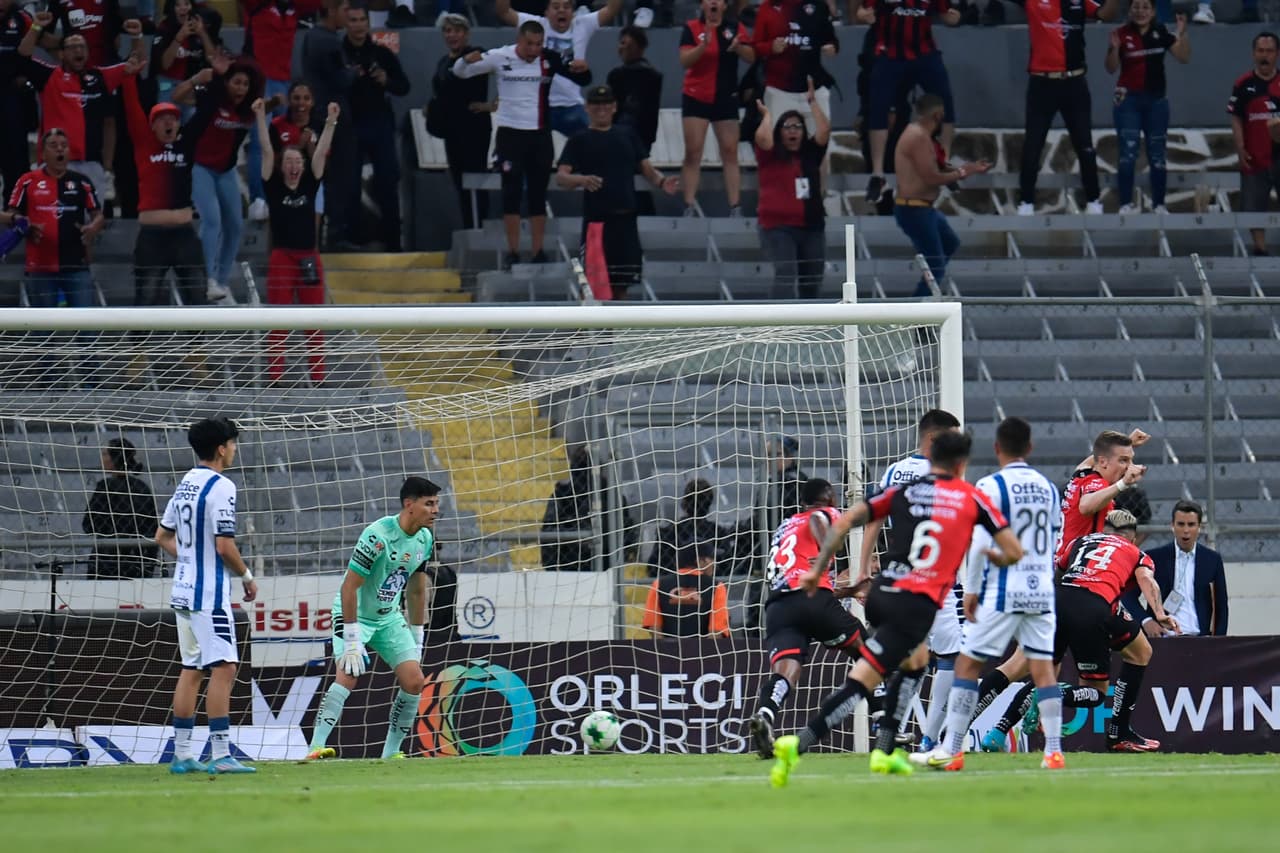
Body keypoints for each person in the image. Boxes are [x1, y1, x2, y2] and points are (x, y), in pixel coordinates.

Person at [768, 431, 1021, 785]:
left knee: (915, 663)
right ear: (962, 464)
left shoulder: (905, 490)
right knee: (864, 680)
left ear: (930, 458)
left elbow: (844, 522)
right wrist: (984, 556)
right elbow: (1013, 551)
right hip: (916, 603)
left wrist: (817, 570)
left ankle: (884, 752)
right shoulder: (971, 497)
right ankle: (800, 743)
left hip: (883, 592)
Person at [911, 417, 1066, 771]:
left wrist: (974, 590)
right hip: (1041, 588)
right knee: (1043, 668)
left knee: (967, 664)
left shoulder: (991, 486)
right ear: (1030, 448)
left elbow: (981, 542)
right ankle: (1054, 751)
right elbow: (1056, 539)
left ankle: (951, 749)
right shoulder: (1047, 487)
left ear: (997, 448)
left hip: (1003, 589)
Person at [305, 477, 441, 761]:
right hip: (353, 614)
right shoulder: (377, 535)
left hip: (388, 617)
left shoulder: (426, 538)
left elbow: (416, 590)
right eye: (429, 503)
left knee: (415, 681)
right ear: (409, 505)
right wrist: (353, 639)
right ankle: (315, 748)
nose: (435, 510)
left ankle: (390, 754)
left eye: (436, 504)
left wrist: (418, 635)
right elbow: (349, 587)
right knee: (349, 674)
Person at [156, 416, 258, 775]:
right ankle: (220, 754)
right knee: (225, 667)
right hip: (208, 594)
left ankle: (182, 755)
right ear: (221, 447)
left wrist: (188, 560)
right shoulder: (221, 486)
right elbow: (224, 545)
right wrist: (246, 575)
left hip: (183, 590)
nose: (234, 450)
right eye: (233, 443)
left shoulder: (187, 481)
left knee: (192, 668)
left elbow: (162, 536)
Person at [857, 408, 959, 747]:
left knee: (905, 653)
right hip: (934, 580)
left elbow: (873, 521)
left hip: (896, 577)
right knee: (948, 657)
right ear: (934, 439)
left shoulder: (895, 471)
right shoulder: (946, 474)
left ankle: (891, 726)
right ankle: (929, 738)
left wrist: (863, 567)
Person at [453, 20, 591, 268]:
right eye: (529, 44)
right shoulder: (500, 56)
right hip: (510, 135)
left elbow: (582, 79)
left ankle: (538, 251)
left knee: (538, 194)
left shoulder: (549, 58)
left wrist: (582, 69)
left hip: (540, 134)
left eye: (538, 44)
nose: (534, 50)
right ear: (519, 40)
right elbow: (459, 72)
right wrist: (465, 60)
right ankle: (513, 251)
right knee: (511, 192)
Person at [747, 478, 866, 758]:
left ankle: (765, 715)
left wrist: (847, 590)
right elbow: (819, 520)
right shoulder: (825, 513)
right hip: (812, 602)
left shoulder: (785, 527)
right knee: (869, 654)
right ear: (828, 497)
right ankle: (887, 724)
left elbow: (800, 578)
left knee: (787, 671)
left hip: (779, 607)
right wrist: (829, 547)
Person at [1056, 510, 1177, 751]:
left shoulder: (1081, 542)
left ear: (1103, 530)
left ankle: (1119, 732)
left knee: (1141, 651)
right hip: (1096, 607)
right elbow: (1146, 580)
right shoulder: (1135, 552)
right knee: (1096, 693)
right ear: (1133, 538)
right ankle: (1052, 697)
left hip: (1063, 601)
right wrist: (1159, 612)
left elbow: (1058, 572)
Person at [556, 84, 679, 300]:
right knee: (593, 282)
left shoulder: (627, 134)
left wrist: (662, 182)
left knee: (622, 283)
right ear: (587, 108)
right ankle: (585, 332)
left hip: (626, 219)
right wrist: (582, 180)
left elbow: (647, 169)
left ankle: (616, 332)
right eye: (596, 104)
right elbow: (562, 177)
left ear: (614, 107)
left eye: (606, 104)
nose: (601, 109)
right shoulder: (579, 139)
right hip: (597, 222)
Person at [17, 11, 144, 206]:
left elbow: (136, 64)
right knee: (57, 223)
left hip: (92, 164)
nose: (78, 51)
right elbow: (23, 55)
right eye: (73, 47)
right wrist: (36, 27)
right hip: (54, 163)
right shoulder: (49, 76)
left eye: (82, 47)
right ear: (61, 54)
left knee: (92, 226)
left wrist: (136, 37)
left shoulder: (100, 77)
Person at [254, 97, 339, 384]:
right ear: (282, 166)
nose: (293, 166)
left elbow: (322, 151)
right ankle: (276, 377)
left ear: (303, 166)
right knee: (278, 320)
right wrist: (260, 117)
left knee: (314, 320)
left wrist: (330, 122)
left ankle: (318, 377)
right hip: (282, 257)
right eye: (288, 161)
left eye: (297, 162)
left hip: (309, 257)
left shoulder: (310, 181)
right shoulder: (273, 184)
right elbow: (266, 149)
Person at [1012, 0, 1120, 215]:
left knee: (1085, 145)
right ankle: (1026, 202)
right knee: (1033, 144)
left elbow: (1105, 14)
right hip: (1042, 83)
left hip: (1074, 83)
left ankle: (1093, 200)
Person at [120, 64, 209, 306]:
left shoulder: (185, 145)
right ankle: (141, 345)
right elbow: (131, 108)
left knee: (198, 294)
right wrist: (128, 77)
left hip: (184, 234)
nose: (169, 123)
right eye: (163, 119)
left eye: (173, 119)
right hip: (152, 236)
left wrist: (202, 81)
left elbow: (206, 113)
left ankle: (197, 345)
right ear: (152, 125)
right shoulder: (144, 144)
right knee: (146, 297)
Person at [855, 0, 958, 207]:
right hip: (890, 53)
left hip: (925, 53)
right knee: (878, 109)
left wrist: (954, 16)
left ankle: (944, 162)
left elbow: (948, 15)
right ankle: (877, 173)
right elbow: (862, 11)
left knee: (945, 103)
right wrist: (865, 16)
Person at [892, 94, 991, 297]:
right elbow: (931, 177)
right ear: (937, 115)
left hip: (925, 208)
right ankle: (918, 313)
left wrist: (968, 168)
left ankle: (924, 299)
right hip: (913, 209)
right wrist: (963, 172)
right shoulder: (917, 137)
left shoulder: (923, 136)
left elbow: (937, 167)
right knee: (935, 263)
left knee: (949, 243)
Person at [183, 55, 261, 305]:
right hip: (200, 167)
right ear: (227, 84)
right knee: (212, 220)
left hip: (225, 170)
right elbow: (176, 95)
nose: (240, 88)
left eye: (245, 84)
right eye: (236, 82)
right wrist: (205, 77)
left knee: (236, 225)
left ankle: (222, 283)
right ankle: (208, 279)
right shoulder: (212, 98)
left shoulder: (247, 110)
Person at [0, 129, 105, 308]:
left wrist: (94, 227)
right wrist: (22, 221)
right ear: (43, 153)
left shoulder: (82, 182)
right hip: (40, 266)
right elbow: (6, 215)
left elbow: (99, 216)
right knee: (43, 330)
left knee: (86, 326)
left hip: (76, 265)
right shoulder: (27, 181)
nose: (60, 150)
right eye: (53, 146)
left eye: (64, 146)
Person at [338, 3, 409, 251]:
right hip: (350, 125)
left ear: (369, 23)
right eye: (353, 20)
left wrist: (385, 80)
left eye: (362, 20)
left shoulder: (382, 54)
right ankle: (351, 240)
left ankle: (393, 242)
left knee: (387, 181)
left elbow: (404, 86)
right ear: (346, 23)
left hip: (379, 123)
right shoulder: (339, 54)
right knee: (348, 184)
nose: (358, 25)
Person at [1106, 3, 1190, 214]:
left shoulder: (1160, 32)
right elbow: (1110, 68)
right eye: (1136, 6)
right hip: (1128, 102)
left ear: (1153, 12)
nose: (1140, 11)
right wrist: (1115, 49)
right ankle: (1125, 205)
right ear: (1129, 11)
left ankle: (1159, 205)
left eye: (1145, 7)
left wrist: (1182, 34)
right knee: (1128, 154)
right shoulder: (1121, 34)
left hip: (1156, 102)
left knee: (1157, 156)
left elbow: (1183, 57)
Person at [496, 0, 622, 138]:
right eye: (556, 7)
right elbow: (504, 12)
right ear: (547, 12)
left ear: (573, 13)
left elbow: (612, 10)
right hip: (538, 105)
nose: (561, 10)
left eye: (567, 7)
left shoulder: (582, 24)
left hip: (572, 104)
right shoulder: (536, 24)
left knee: (594, 143)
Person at [242, 0, 320, 222]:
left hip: (284, 83)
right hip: (260, 81)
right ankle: (258, 199)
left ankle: (285, 192)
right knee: (260, 142)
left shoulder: (295, 7)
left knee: (287, 142)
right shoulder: (257, 5)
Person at [754, 81, 830, 299]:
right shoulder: (770, 155)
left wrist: (812, 102)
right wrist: (768, 116)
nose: (793, 131)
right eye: (787, 127)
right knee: (786, 275)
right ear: (780, 132)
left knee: (812, 281)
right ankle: (780, 328)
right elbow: (762, 138)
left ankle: (808, 328)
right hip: (779, 227)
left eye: (797, 126)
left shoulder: (810, 154)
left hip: (812, 226)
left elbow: (824, 130)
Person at [678, 0, 754, 217]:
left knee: (730, 151)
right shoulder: (692, 28)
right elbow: (684, 61)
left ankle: (735, 206)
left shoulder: (734, 27)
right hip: (696, 96)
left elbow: (752, 56)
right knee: (693, 152)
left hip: (725, 97)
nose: (713, 3)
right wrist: (702, 46)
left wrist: (739, 47)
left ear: (723, 5)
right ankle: (689, 205)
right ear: (702, 5)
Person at [427, 12, 494, 232]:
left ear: (466, 34)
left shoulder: (477, 54)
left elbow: (504, 69)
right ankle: (468, 229)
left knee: (476, 180)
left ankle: (480, 229)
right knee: (460, 183)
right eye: (447, 31)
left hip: (474, 130)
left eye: (456, 30)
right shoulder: (442, 62)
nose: (451, 35)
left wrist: (493, 104)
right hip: (451, 131)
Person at [1124, 500, 1228, 637]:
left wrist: (1219, 641)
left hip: (1202, 639)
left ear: (1199, 527)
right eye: (1180, 524)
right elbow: (1127, 595)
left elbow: (1221, 605)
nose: (1185, 530)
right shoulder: (1154, 558)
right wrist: (1146, 621)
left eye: (1191, 525)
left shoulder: (1212, 559)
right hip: (1164, 638)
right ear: (1172, 526)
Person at [299, 0, 355, 250]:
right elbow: (340, 79)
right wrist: (354, 72)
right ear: (332, 10)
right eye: (345, 10)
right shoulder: (328, 40)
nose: (349, 15)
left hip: (320, 113)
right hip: (331, 116)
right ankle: (335, 237)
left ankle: (322, 235)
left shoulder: (312, 36)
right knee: (338, 176)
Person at [1054, 428, 1149, 570]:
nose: (1130, 467)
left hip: (1063, 562)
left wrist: (1128, 443)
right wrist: (1123, 484)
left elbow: (1093, 459)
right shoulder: (1097, 483)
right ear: (1103, 462)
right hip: (1075, 569)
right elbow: (1085, 506)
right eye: (1123, 460)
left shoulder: (1082, 473)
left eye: (1131, 460)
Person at [752, 0, 838, 142]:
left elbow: (831, 39)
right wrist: (770, 47)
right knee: (779, 147)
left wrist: (832, 47)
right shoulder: (767, 7)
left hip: (813, 89)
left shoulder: (818, 5)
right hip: (780, 90)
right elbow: (756, 47)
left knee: (820, 145)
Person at [1, 0, 59, 200]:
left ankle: (17, 206)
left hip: (12, 94)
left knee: (16, 155)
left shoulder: (22, 18)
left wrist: (69, 44)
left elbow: (45, 41)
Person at [1231, 32, 1280, 257]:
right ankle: (1260, 249)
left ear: (1277, 54)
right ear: (1253, 54)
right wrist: (1240, 147)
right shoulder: (1243, 84)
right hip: (1254, 156)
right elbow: (1236, 117)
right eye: (1261, 51)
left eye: (1269, 51)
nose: (1265, 56)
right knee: (1253, 206)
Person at [83, 437, 158, 579]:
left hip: (107, 561)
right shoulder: (142, 488)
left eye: (105, 454)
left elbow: (88, 524)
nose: (103, 457)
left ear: (114, 458)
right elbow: (152, 527)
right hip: (136, 560)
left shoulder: (105, 487)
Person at [641, 540, 731, 638]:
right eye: (712, 558)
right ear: (700, 561)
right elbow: (715, 633)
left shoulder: (659, 584)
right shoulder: (716, 586)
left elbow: (654, 629)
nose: (715, 564)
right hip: (702, 651)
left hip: (668, 651)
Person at [645, 477, 727, 578]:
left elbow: (653, 568)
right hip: (709, 587)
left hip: (675, 587)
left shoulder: (669, 532)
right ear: (709, 504)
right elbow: (726, 567)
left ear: (685, 502)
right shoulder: (718, 534)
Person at [150, 0, 218, 109]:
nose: (183, 8)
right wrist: (179, 37)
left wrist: (202, 33)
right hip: (167, 83)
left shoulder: (200, 27)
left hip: (192, 84)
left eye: (187, 4)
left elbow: (213, 60)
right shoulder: (164, 28)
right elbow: (165, 65)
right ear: (172, 8)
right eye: (178, 4)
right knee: (168, 115)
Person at [607, 25, 664, 153]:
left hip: (627, 137)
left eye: (625, 44)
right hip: (644, 138)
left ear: (639, 48)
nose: (621, 48)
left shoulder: (618, 75)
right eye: (621, 43)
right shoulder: (655, 74)